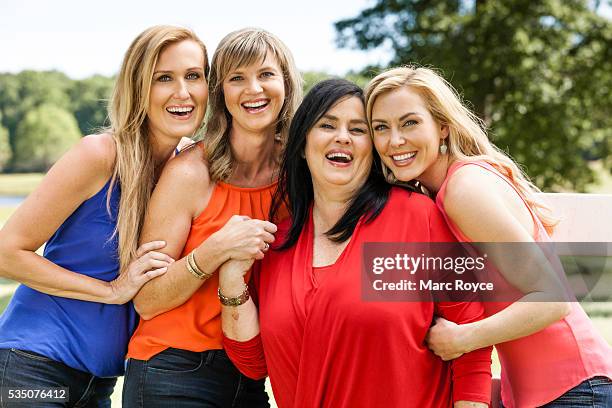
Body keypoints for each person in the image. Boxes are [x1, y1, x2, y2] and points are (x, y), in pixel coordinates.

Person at [220, 78, 492, 408]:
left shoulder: (417, 218)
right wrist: (232, 281)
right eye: (327, 125)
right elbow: (255, 365)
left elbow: (470, 338)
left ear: (373, 148)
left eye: (358, 129)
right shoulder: (278, 244)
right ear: (303, 145)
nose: (343, 137)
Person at [365, 66, 612, 407]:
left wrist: (462, 338)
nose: (395, 140)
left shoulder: (463, 190)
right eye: (381, 127)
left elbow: (554, 298)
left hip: (577, 391)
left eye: (410, 123)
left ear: (442, 127)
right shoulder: (440, 193)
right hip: (548, 393)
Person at [0, 25, 209, 406]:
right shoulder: (100, 155)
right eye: (164, 78)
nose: (183, 92)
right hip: (31, 367)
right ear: (138, 87)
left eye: (193, 76)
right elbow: (7, 253)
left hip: (98, 385)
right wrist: (111, 291)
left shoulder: (188, 172)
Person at [122, 27, 302, 407]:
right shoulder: (190, 172)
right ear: (221, 92)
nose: (254, 89)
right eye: (237, 78)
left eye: (266, 74)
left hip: (252, 372)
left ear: (286, 83)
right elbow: (147, 300)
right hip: (173, 368)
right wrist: (214, 251)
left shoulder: (300, 175)